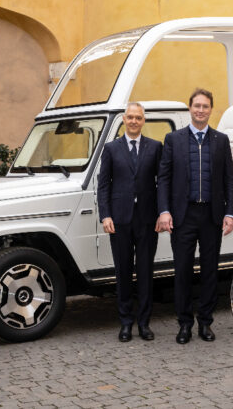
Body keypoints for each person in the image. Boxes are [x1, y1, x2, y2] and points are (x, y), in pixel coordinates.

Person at [157, 88, 233, 344]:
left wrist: (230, 212)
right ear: (190, 109)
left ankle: (205, 322)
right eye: (196, 106)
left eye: (205, 106)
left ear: (211, 110)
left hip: (211, 215)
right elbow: (164, 179)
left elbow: (229, 180)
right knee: (182, 271)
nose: (200, 110)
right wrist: (164, 210)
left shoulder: (221, 140)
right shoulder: (173, 140)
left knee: (210, 271)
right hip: (183, 216)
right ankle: (184, 324)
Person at [98, 102, 163, 342]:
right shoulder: (111, 149)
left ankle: (144, 323)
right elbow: (103, 184)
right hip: (120, 219)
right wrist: (105, 215)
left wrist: (162, 212)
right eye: (130, 117)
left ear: (143, 120)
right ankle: (125, 323)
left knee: (145, 272)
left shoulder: (155, 147)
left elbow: (162, 183)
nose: (134, 121)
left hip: (147, 220)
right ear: (124, 120)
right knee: (123, 272)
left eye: (138, 117)